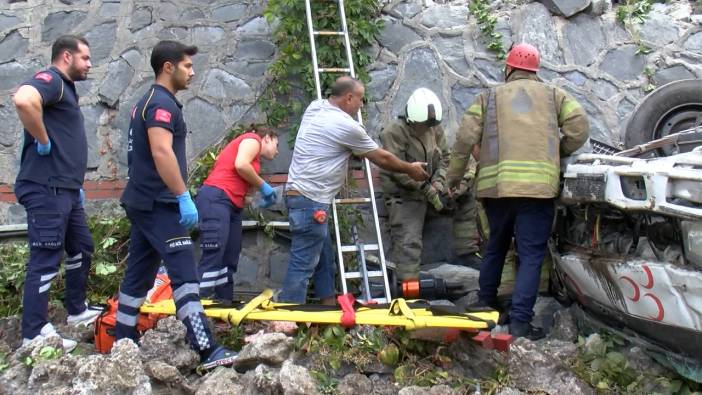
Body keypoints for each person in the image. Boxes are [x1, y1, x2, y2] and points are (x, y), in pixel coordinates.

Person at [447, 43, 589, 340]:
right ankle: (521, 324)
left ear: (508, 68)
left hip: (496, 190)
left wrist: (453, 177)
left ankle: (485, 306)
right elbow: (579, 128)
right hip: (538, 191)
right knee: (531, 255)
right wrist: (557, 151)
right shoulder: (555, 95)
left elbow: (463, 139)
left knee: (495, 247)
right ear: (535, 70)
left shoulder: (487, 98)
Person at [115, 40, 236, 369]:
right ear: (168, 67)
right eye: (187, 66)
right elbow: (162, 151)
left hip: (145, 201)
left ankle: (121, 345)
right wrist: (182, 196)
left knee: (138, 278)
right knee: (185, 275)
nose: (192, 72)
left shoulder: (150, 101)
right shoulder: (161, 104)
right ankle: (208, 349)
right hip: (159, 203)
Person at [278, 76, 429, 304]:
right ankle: (285, 321)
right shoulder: (345, 125)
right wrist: (410, 169)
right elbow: (382, 158)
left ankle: (328, 302)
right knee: (303, 264)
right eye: (360, 99)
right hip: (311, 202)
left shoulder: (316, 107)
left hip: (300, 196)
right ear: (349, 98)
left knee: (324, 256)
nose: (362, 104)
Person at [13, 35, 101, 351]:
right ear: (66, 56)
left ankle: (77, 311)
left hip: (65, 189)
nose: (89, 64)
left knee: (81, 247)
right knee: (47, 256)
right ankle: (34, 333)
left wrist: (74, 186)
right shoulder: (52, 80)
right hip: (45, 188)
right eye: (85, 58)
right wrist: (42, 138)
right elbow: (24, 100)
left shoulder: (65, 88)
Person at [380, 87, 482, 284]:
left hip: (432, 187)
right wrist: (426, 189)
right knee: (409, 243)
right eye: (422, 125)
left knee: (466, 197)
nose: (426, 129)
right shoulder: (393, 133)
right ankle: (409, 293)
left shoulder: (434, 128)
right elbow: (396, 169)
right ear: (412, 119)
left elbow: (445, 157)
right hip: (406, 196)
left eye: (429, 125)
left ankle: (467, 254)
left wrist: (439, 182)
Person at [195, 125, 279, 300]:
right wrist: (263, 186)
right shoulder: (253, 139)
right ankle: (194, 308)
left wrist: (258, 201)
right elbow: (240, 165)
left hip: (230, 204)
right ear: (268, 138)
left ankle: (223, 304)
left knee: (230, 256)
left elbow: (241, 190)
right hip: (216, 198)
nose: (277, 152)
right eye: (276, 145)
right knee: (214, 253)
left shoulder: (255, 163)